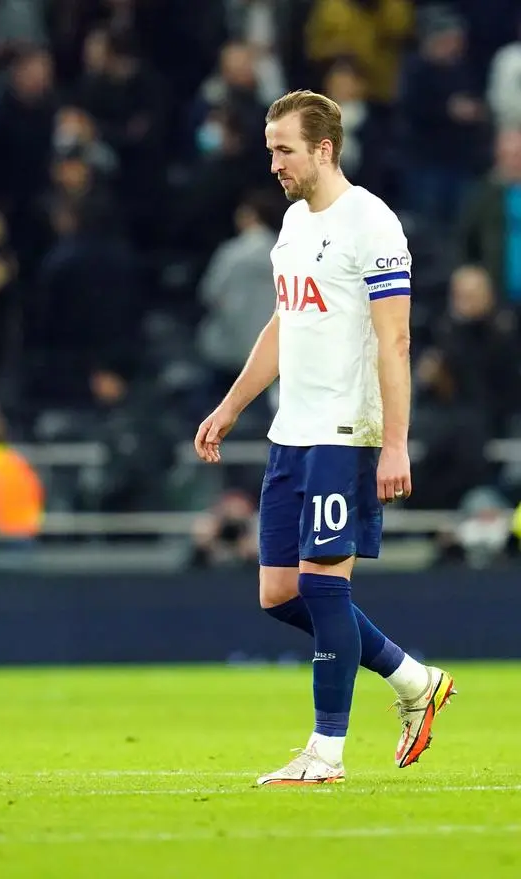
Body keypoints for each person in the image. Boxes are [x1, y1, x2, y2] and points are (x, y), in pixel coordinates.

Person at [194, 90, 455, 786]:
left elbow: (393, 339)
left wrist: (394, 442)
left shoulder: (371, 223)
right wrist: (231, 406)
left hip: (346, 430)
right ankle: (413, 679)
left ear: (324, 149)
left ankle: (325, 751)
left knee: (324, 586)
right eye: (270, 148)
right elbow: (285, 322)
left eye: (284, 149)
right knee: (280, 593)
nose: (273, 162)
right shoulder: (292, 223)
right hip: (293, 432)